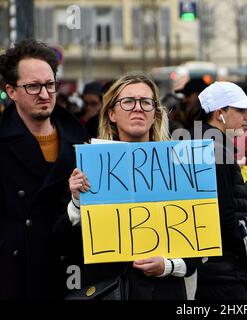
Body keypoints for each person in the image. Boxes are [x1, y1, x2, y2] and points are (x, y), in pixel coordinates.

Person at [67, 72, 201, 300]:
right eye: (128, 101)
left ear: (155, 113)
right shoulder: (87, 165)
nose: (137, 108)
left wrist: (166, 266)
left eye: (146, 102)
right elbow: (66, 241)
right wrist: (77, 201)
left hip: (164, 293)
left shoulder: (180, 164)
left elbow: (195, 251)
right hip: (110, 291)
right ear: (112, 113)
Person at [0, 39, 89, 299]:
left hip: (68, 278)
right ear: (11, 91)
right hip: (15, 276)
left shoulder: (83, 143)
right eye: (33, 86)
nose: (44, 93)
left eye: (50, 85)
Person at [193, 81, 247, 300]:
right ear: (219, 113)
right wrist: (244, 251)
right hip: (223, 271)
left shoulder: (207, 143)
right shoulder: (214, 147)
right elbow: (224, 213)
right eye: (240, 110)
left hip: (216, 268)